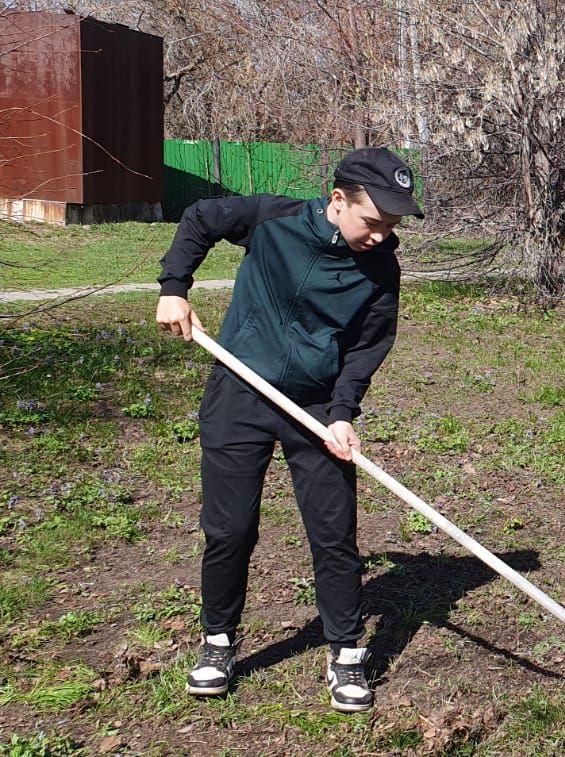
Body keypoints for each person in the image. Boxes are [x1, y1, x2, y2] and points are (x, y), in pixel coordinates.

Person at [155, 148, 422, 714]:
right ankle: (218, 643)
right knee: (228, 529)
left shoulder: (381, 267)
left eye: (392, 226)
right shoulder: (272, 219)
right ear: (338, 200)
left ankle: (346, 653)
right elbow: (202, 217)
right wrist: (174, 286)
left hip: (318, 405)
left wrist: (344, 412)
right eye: (372, 222)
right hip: (239, 390)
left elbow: (367, 346)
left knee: (333, 533)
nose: (380, 236)